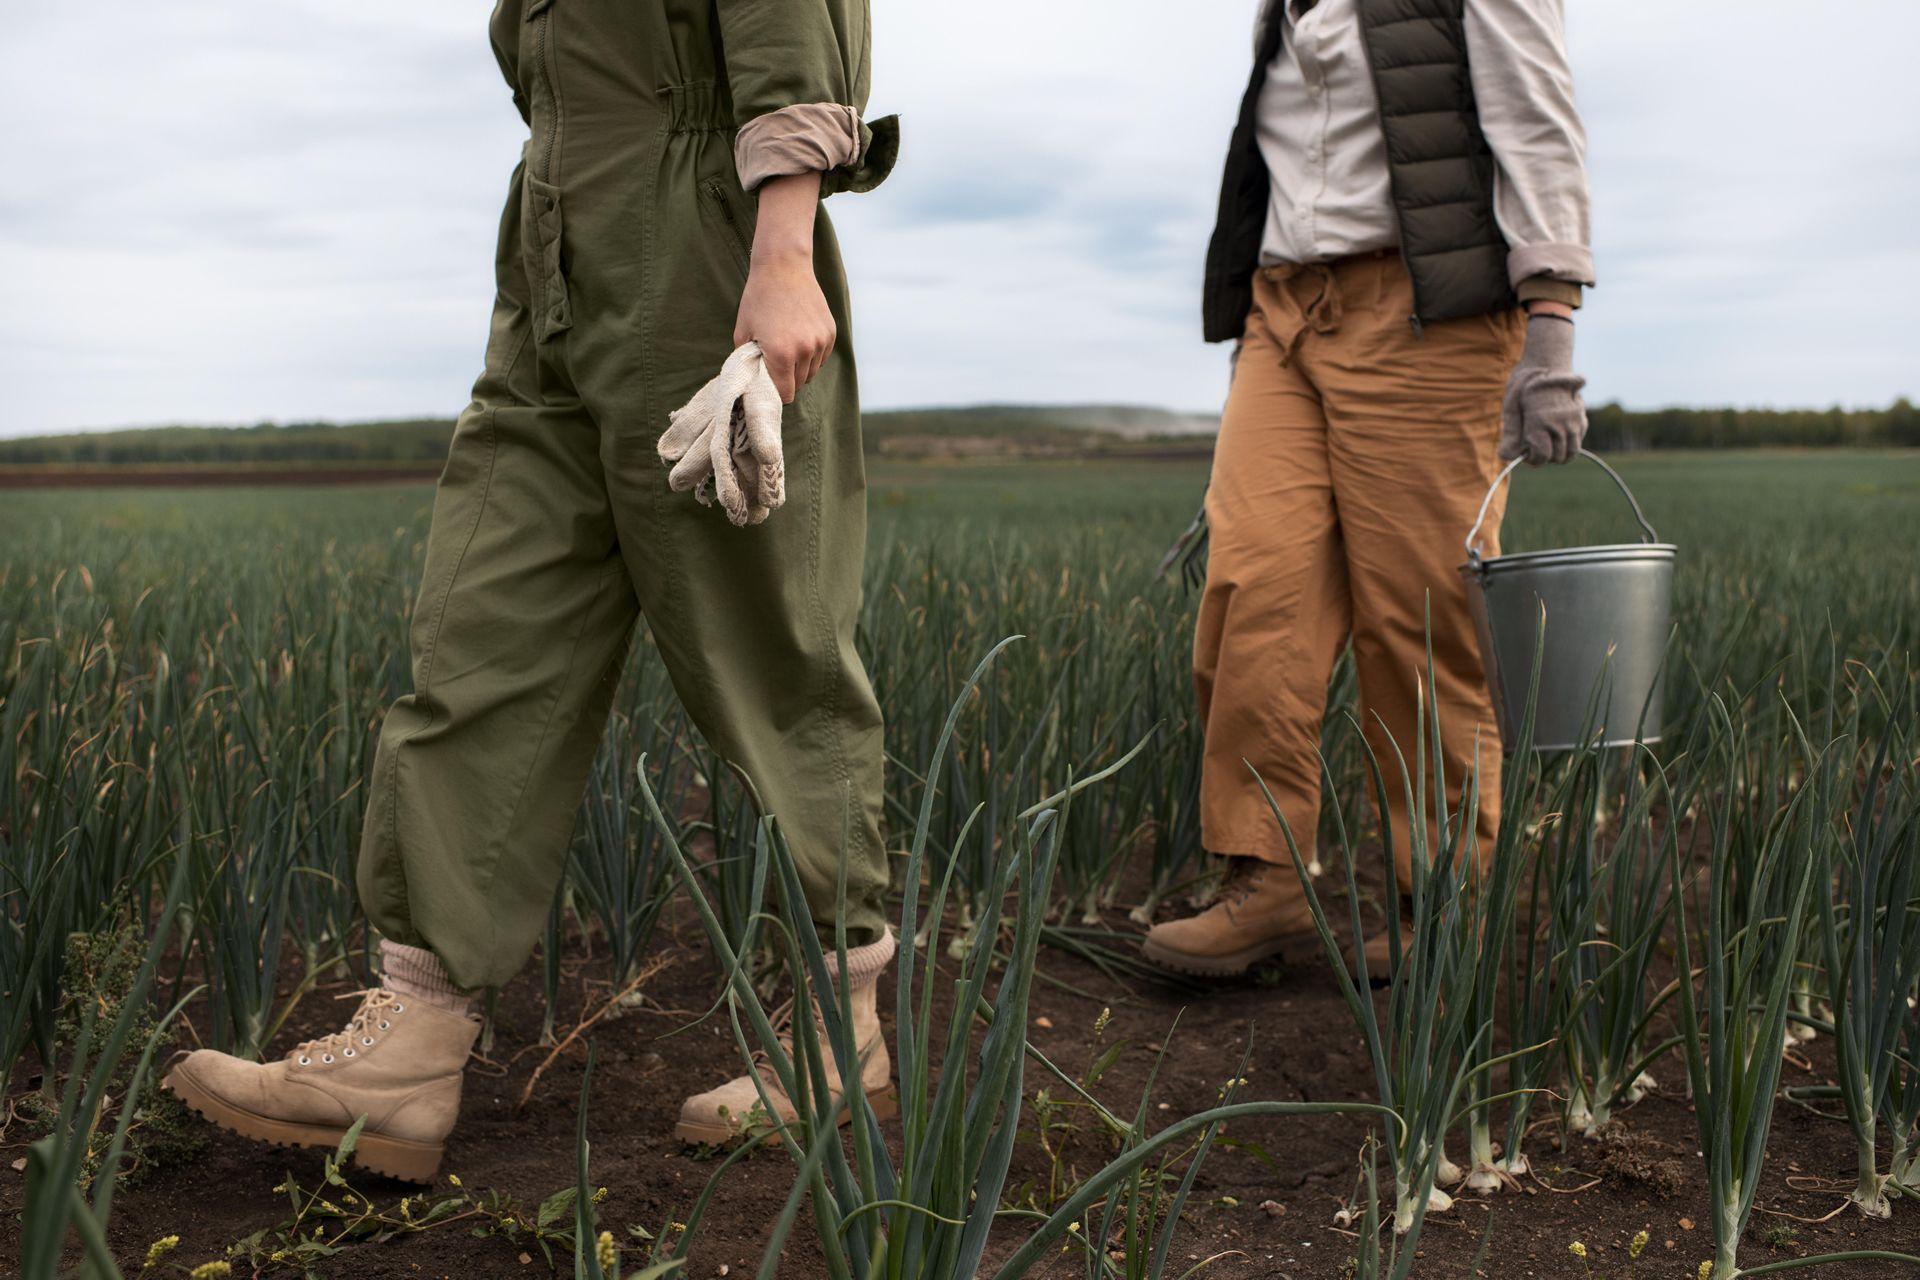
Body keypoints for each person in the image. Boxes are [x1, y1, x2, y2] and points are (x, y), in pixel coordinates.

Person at [164, 0, 899, 1180]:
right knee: (483, 630)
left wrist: (781, 253)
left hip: (704, 240)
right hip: (554, 244)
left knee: (767, 652)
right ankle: (411, 1038)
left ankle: (835, 1027)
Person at [1143, 0, 1594, 977]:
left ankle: (1444, 903)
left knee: (1419, 615)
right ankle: (1265, 877)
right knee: (1253, 585)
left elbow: (1536, 115)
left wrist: (1551, 315)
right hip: (1284, 309)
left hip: (1428, 314)